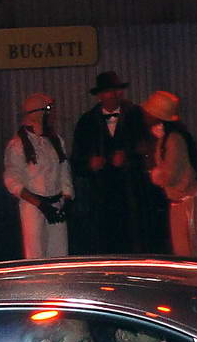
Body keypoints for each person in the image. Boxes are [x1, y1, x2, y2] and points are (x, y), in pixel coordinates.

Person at [70, 71, 163, 254]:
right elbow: (76, 162)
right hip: (101, 198)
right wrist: (90, 165)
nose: (113, 95)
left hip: (132, 195)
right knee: (105, 246)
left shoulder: (136, 116)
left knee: (135, 244)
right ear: (99, 95)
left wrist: (128, 157)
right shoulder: (87, 122)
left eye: (116, 90)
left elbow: (151, 149)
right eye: (108, 91)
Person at [142, 90, 197, 259]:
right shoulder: (166, 138)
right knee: (185, 252)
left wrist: (153, 173)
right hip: (181, 201)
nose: (146, 116)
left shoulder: (174, 140)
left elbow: (171, 175)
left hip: (190, 202)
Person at [3, 93, 73, 259]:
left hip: (56, 204)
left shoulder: (55, 140)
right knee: (36, 254)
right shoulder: (18, 144)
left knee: (60, 255)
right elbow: (12, 180)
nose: (52, 114)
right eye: (48, 110)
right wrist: (40, 205)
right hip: (33, 207)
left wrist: (67, 199)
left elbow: (64, 171)